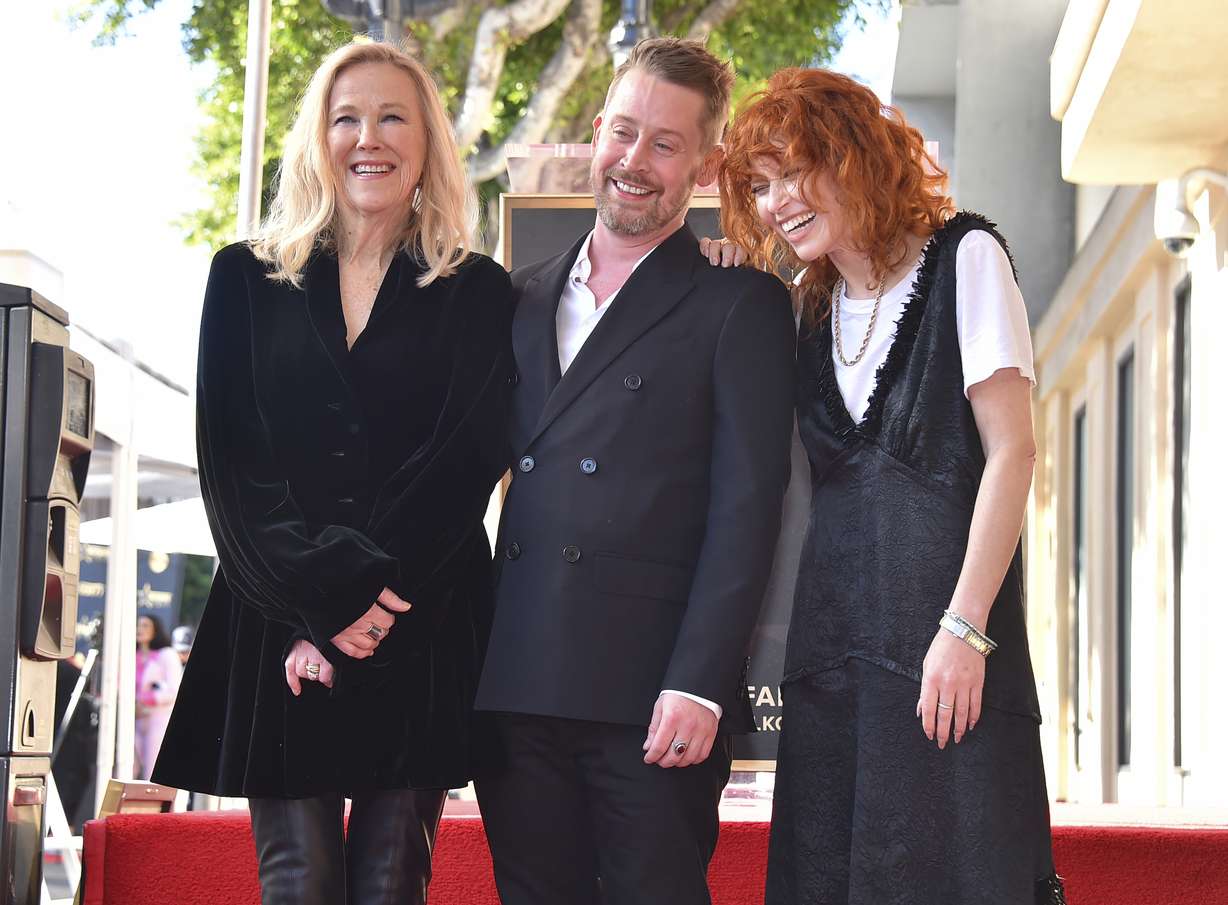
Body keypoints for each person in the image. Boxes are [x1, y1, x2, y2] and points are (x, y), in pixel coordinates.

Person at [150, 40, 513, 905]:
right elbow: (233, 468)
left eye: (392, 117)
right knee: (298, 882)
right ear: (318, 137)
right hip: (276, 616)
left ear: (427, 141)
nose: (367, 137)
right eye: (346, 117)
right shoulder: (241, 278)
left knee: (394, 881)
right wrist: (317, 604)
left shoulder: (478, 290)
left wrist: (366, 604)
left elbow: (464, 462)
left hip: (418, 617)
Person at [716, 68, 1066, 905]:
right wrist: (715, 267)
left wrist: (965, 628)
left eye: (792, 171)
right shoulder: (805, 307)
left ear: (852, 155)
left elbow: (1013, 453)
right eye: (760, 186)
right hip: (830, 666)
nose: (775, 202)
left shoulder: (966, 258)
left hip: (948, 658)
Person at [473, 37, 796, 905]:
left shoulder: (739, 301)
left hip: (651, 694)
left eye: (664, 143)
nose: (634, 161)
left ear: (705, 166)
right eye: (623, 132)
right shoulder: (518, 297)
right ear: (595, 132)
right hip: (519, 682)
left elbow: (747, 511)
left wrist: (699, 681)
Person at [134, 614, 182, 779]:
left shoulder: (167, 655)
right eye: (138, 625)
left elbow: (173, 691)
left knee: (154, 771)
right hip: (133, 719)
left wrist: (143, 700)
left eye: (145, 625)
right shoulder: (131, 655)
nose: (140, 629)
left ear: (156, 629)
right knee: (125, 768)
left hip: (158, 719)